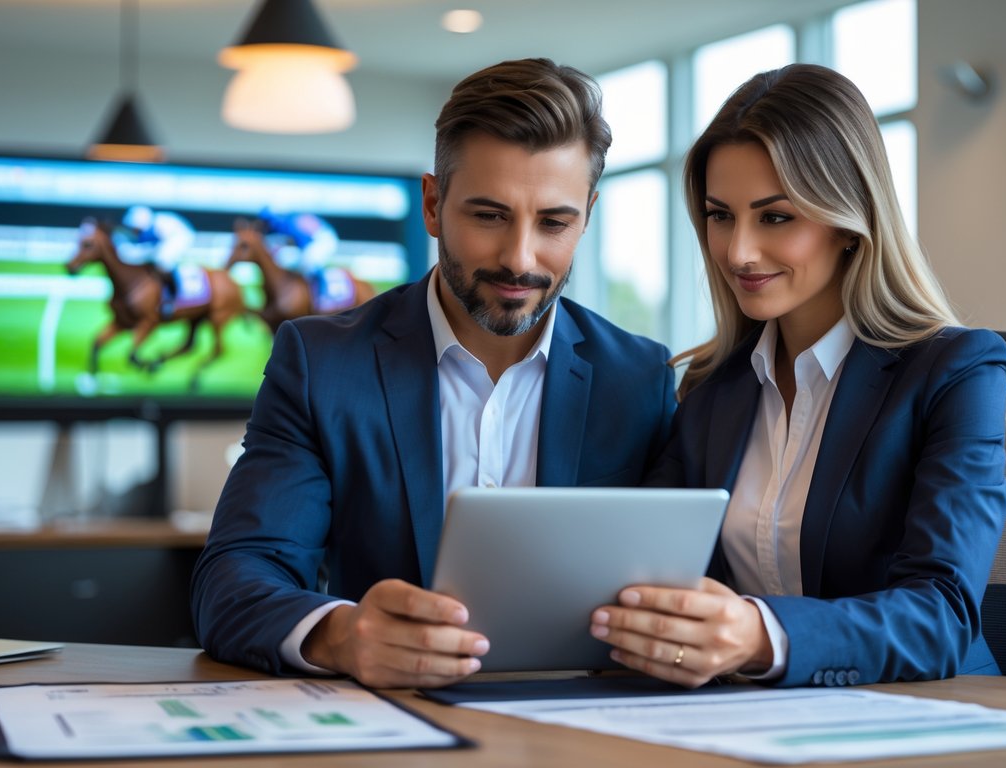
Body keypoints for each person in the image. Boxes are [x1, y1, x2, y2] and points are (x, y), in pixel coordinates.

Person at [192, 58, 677, 688]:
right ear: (432, 204)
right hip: (393, 717)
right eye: (489, 216)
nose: (519, 259)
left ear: (587, 214)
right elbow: (234, 579)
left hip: (581, 719)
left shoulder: (641, 378)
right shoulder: (322, 365)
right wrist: (342, 636)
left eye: (554, 223)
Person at [589, 63, 1006, 688]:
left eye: (775, 217)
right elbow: (648, 568)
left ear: (848, 220)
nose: (738, 251)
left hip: (936, 712)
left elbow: (942, 615)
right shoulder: (712, 389)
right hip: (752, 717)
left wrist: (760, 635)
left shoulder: (955, 371)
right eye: (720, 215)